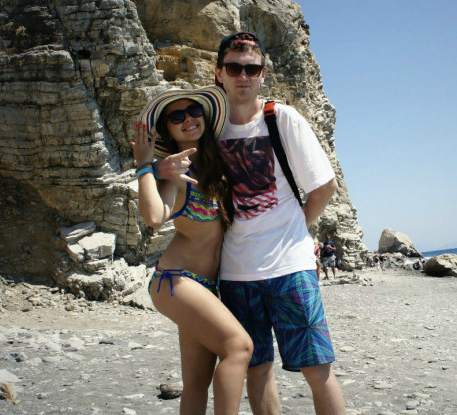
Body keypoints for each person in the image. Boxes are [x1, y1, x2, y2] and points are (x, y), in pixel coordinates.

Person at [209, 31, 344, 415]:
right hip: (236, 273)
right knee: (256, 369)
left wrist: (296, 228)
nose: (243, 76)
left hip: (291, 268)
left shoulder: (281, 118)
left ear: (263, 73)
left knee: (317, 368)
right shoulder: (210, 129)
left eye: (252, 69)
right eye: (234, 67)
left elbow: (324, 186)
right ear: (218, 72)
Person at [133, 86, 253, 415]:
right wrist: (146, 167)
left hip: (205, 286)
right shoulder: (175, 173)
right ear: (168, 130)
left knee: (198, 381)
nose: (188, 119)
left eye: (194, 111)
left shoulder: (215, 168)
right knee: (239, 348)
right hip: (176, 281)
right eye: (177, 116)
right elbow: (154, 216)